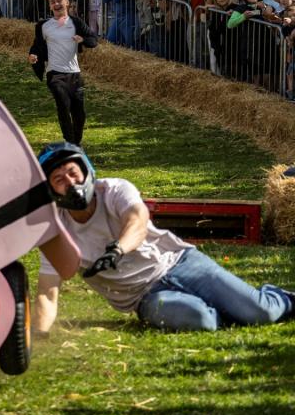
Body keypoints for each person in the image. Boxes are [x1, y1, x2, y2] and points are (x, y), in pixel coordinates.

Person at [34, 142, 294, 334]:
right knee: (203, 321)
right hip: (144, 297)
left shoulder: (114, 189)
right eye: (59, 179)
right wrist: (39, 336)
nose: (70, 182)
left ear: (86, 169)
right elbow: (47, 292)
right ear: (50, 189)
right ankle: (227, 308)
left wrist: (118, 250)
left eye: (73, 172)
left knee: (262, 312)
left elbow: (138, 220)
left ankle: (278, 298)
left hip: (181, 263)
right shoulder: (56, 231)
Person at [28, 0, 98, 146]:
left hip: (74, 74)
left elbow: (93, 40)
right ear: (50, 6)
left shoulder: (76, 22)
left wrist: (83, 40)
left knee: (79, 113)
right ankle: (69, 142)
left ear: (67, 2)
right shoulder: (43, 26)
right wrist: (33, 56)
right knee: (63, 105)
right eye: (53, 2)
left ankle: (76, 143)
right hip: (55, 74)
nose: (56, 4)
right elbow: (36, 46)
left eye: (59, 0)